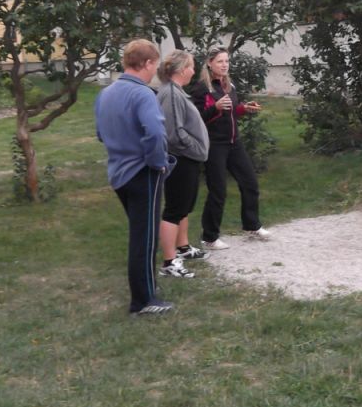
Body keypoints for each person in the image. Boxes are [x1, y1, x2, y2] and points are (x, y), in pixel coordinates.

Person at [95, 39, 174, 315]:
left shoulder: (105, 93)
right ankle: (143, 301)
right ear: (147, 63)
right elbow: (155, 133)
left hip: (118, 173)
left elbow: (101, 134)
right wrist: (158, 163)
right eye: (155, 65)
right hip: (142, 173)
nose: (155, 72)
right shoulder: (143, 94)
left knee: (141, 233)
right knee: (145, 239)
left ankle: (146, 292)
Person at [191, 46, 271, 250]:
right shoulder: (202, 88)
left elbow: (231, 111)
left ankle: (252, 225)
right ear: (210, 63)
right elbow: (197, 119)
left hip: (234, 143)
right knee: (218, 191)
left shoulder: (229, 85)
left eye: (226, 61)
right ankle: (209, 237)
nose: (224, 65)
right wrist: (215, 108)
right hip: (215, 145)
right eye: (220, 61)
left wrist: (243, 108)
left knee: (250, 182)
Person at [156, 50, 210, 278]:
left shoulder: (177, 91)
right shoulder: (170, 93)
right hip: (181, 158)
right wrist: (196, 148)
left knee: (184, 206)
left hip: (189, 158)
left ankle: (183, 247)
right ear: (180, 70)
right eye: (191, 66)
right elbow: (174, 133)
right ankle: (169, 262)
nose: (193, 71)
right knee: (175, 209)